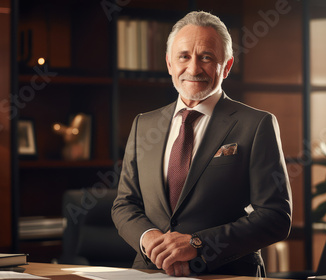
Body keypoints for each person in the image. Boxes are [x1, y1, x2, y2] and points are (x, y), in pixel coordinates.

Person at [111, 11, 292, 277]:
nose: (193, 68)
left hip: (226, 273)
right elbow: (124, 204)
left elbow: (276, 217)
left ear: (227, 66)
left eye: (206, 57)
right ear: (169, 64)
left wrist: (198, 244)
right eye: (184, 56)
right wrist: (149, 240)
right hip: (150, 272)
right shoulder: (143, 125)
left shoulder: (256, 125)